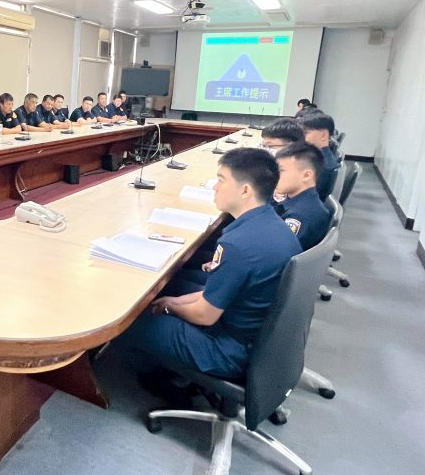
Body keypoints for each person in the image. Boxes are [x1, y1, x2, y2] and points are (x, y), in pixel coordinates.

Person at [123, 148, 301, 380]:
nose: (215, 187)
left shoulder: (237, 245)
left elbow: (204, 315)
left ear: (245, 190)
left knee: (131, 321)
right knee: (168, 294)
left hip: (229, 352)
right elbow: (218, 293)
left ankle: (159, 380)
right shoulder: (273, 224)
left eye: (221, 180)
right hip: (256, 338)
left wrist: (169, 307)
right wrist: (174, 301)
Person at [274, 142, 331, 250]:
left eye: (281, 170)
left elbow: (279, 251)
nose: (274, 176)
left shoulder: (298, 216)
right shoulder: (303, 202)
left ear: (306, 175)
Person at [299, 111, 339, 200]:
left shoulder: (322, 166)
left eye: (305, 133)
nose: (301, 137)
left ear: (323, 135)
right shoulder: (321, 157)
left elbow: (307, 197)